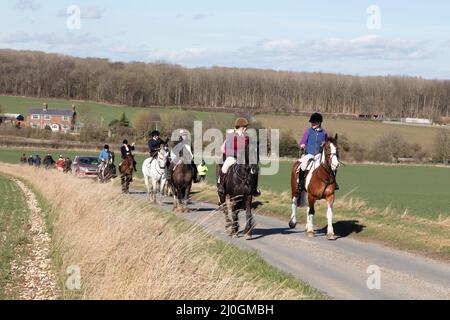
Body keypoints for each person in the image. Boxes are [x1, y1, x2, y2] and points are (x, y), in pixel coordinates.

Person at [217, 118, 260, 197]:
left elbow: (250, 147)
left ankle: (254, 189)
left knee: (255, 169)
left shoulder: (246, 137)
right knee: (224, 168)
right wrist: (237, 154)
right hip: (233, 157)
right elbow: (227, 149)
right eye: (245, 127)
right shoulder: (231, 136)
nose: (246, 128)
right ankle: (221, 187)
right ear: (241, 127)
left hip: (244, 159)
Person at [298, 112, 339, 191]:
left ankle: (334, 182)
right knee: (303, 164)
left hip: (319, 155)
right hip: (309, 153)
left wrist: (325, 144)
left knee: (332, 165)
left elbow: (327, 143)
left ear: (319, 122)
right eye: (312, 122)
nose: (312, 124)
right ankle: (300, 183)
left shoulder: (324, 133)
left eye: (314, 122)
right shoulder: (308, 131)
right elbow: (303, 140)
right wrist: (302, 144)